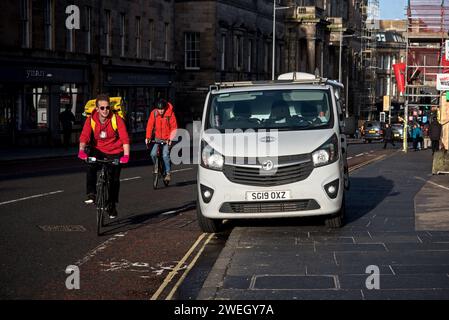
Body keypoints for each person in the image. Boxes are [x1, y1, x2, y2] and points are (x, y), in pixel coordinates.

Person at [78, 94, 130, 218]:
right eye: (102, 108)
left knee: (114, 179)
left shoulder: (116, 119)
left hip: (115, 150)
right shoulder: (91, 119)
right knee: (90, 165)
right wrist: (81, 150)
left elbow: (124, 138)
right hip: (98, 149)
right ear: (97, 109)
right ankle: (91, 193)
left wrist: (126, 155)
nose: (105, 110)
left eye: (107, 107)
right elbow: (84, 136)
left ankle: (111, 205)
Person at [145, 98, 178, 183]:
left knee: (165, 155)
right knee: (153, 154)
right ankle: (157, 168)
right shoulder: (154, 113)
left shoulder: (170, 114)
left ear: (165, 108)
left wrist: (170, 139)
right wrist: (148, 137)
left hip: (167, 139)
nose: (161, 111)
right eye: (159, 109)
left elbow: (174, 127)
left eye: (162, 109)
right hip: (157, 138)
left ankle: (168, 173)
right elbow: (150, 125)